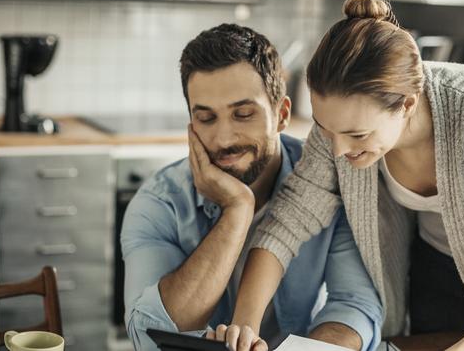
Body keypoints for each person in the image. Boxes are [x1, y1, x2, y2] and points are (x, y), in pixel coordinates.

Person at [226, 0, 464, 351]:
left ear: (408, 104)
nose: (338, 150)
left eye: (357, 135)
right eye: (325, 129)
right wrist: (244, 325)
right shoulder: (341, 125)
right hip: (434, 262)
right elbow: (286, 224)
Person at [121, 23, 383, 351]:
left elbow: (354, 306)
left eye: (243, 114)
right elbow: (148, 334)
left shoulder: (330, 183)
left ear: (282, 114)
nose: (224, 139)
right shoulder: (159, 203)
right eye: (206, 118)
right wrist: (237, 211)